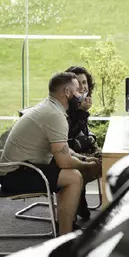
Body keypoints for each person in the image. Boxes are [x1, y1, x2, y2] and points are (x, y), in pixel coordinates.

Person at [0, 72, 100, 235]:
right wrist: (87, 165)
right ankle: (65, 237)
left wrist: (84, 158)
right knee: (73, 176)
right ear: (67, 92)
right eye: (77, 90)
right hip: (14, 174)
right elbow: (64, 162)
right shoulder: (55, 115)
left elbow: (63, 150)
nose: (81, 94)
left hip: (25, 167)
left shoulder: (51, 107)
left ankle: (64, 226)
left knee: (73, 172)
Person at [65, 66, 102, 221]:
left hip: (77, 148)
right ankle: (75, 203)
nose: (82, 86)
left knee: (103, 158)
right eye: (78, 83)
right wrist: (82, 112)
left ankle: (79, 199)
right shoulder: (66, 104)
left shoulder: (79, 102)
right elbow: (68, 135)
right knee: (98, 162)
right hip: (65, 151)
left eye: (85, 82)